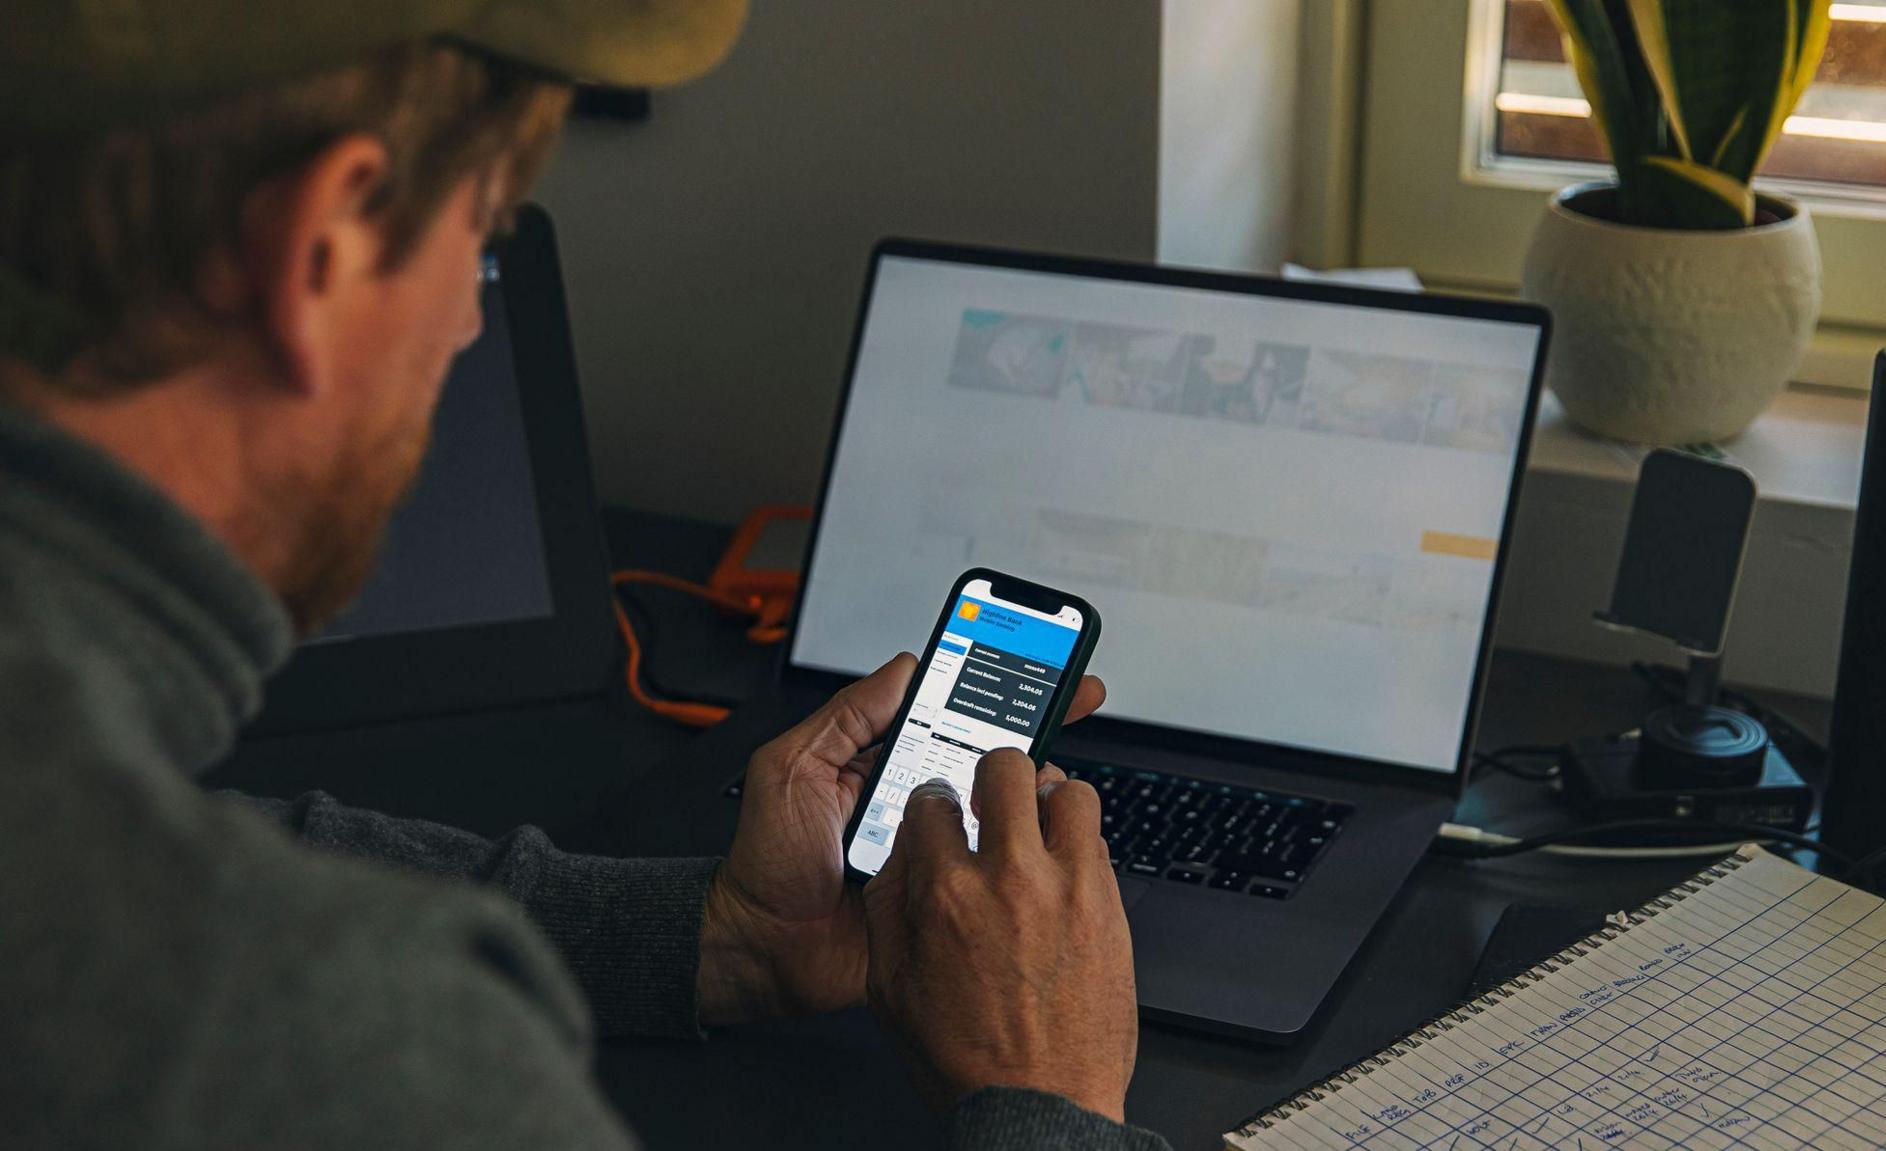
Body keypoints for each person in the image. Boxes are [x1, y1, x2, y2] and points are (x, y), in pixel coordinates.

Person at [0, 2, 1168, 1148]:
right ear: (325, 246)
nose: (468, 320)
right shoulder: (354, 1060)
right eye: (484, 230)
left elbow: (209, 837)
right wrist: (1047, 1095)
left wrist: (727, 936)